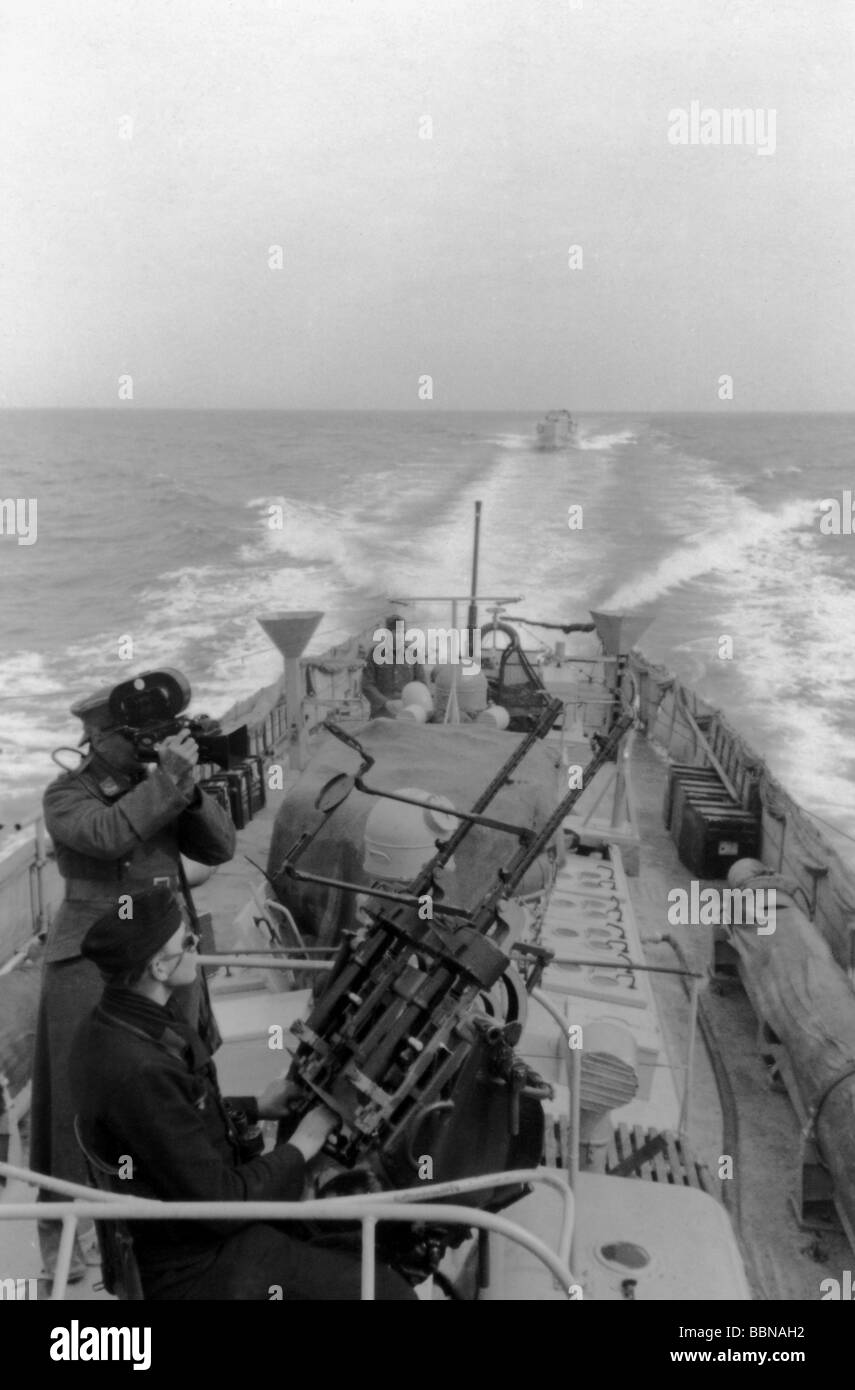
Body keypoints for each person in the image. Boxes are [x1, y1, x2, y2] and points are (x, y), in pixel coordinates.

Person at [69, 887, 415, 1300]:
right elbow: (221, 1200)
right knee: (389, 1291)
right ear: (159, 968)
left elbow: (167, 1127)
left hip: (178, 1234)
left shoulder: (110, 1024)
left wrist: (257, 1107)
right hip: (193, 1263)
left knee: (357, 1241)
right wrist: (302, 1145)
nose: (197, 946)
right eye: (188, 942)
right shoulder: (140, 1069)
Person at [30, 680, 236, 1281]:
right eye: (133, 734)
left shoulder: (162, 784)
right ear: (96, 737)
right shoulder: (66, 794)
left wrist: (189, 791)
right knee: (77, 1103)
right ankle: (66, 1242)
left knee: (186, 1069)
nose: (147, 742)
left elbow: (219, 848)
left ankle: (199, 1195)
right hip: (92, 957)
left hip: (167, 948)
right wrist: (167, 781)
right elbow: (109, 834)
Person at [361, 613, 428, 718]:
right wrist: (385, 703)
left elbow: (421, 684)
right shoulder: (374, 653)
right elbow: (366, 685)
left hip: (408, 711)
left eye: (403, 632)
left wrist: (414, 704)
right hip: (381, 713)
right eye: (396, 632)